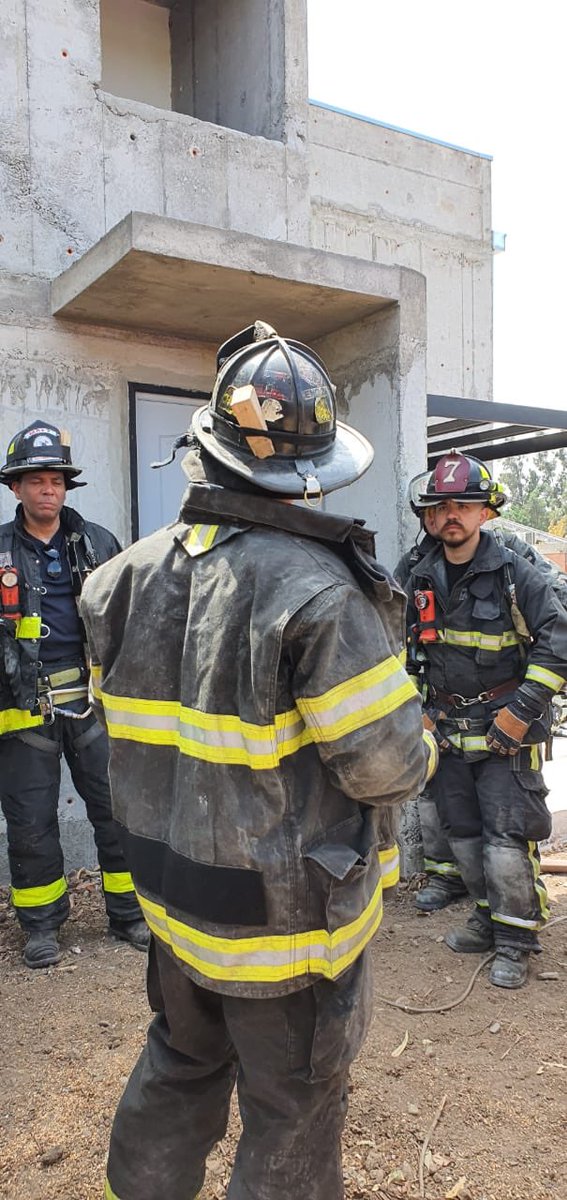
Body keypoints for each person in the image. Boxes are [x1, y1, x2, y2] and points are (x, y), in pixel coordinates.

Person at [81, 321, 437, 1200]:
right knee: (293, 1109)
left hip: (174, 900)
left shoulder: (117, 579)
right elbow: (386, 768)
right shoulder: (319, 593)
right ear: (310, 474)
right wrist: (423, 739)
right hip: (284, 932)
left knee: (179, 1061)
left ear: (207, 449)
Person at [405, 451, 567, 989]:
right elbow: (401, 651)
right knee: (465, 837)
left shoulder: (516, 573)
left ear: (486, 512)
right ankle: (486, 915)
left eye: (463, 505)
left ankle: (516, 939)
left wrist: (522, 712)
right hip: (446, 730)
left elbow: (558, 643)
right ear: (429, 515)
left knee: (506, 839)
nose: (450, 515)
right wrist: (419, 711)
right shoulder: (416, 574)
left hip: (505, 732)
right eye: (440, 506)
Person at [0, 423, 149, 968]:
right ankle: (41, 926)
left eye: (57, 480)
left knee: (116, 811)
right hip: (22, 709)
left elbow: (128, 617)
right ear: (15, 487)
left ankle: (128, 914)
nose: (48, 490)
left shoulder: (99, 544)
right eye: (37, 480)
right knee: (30, 821)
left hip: (94, 705)